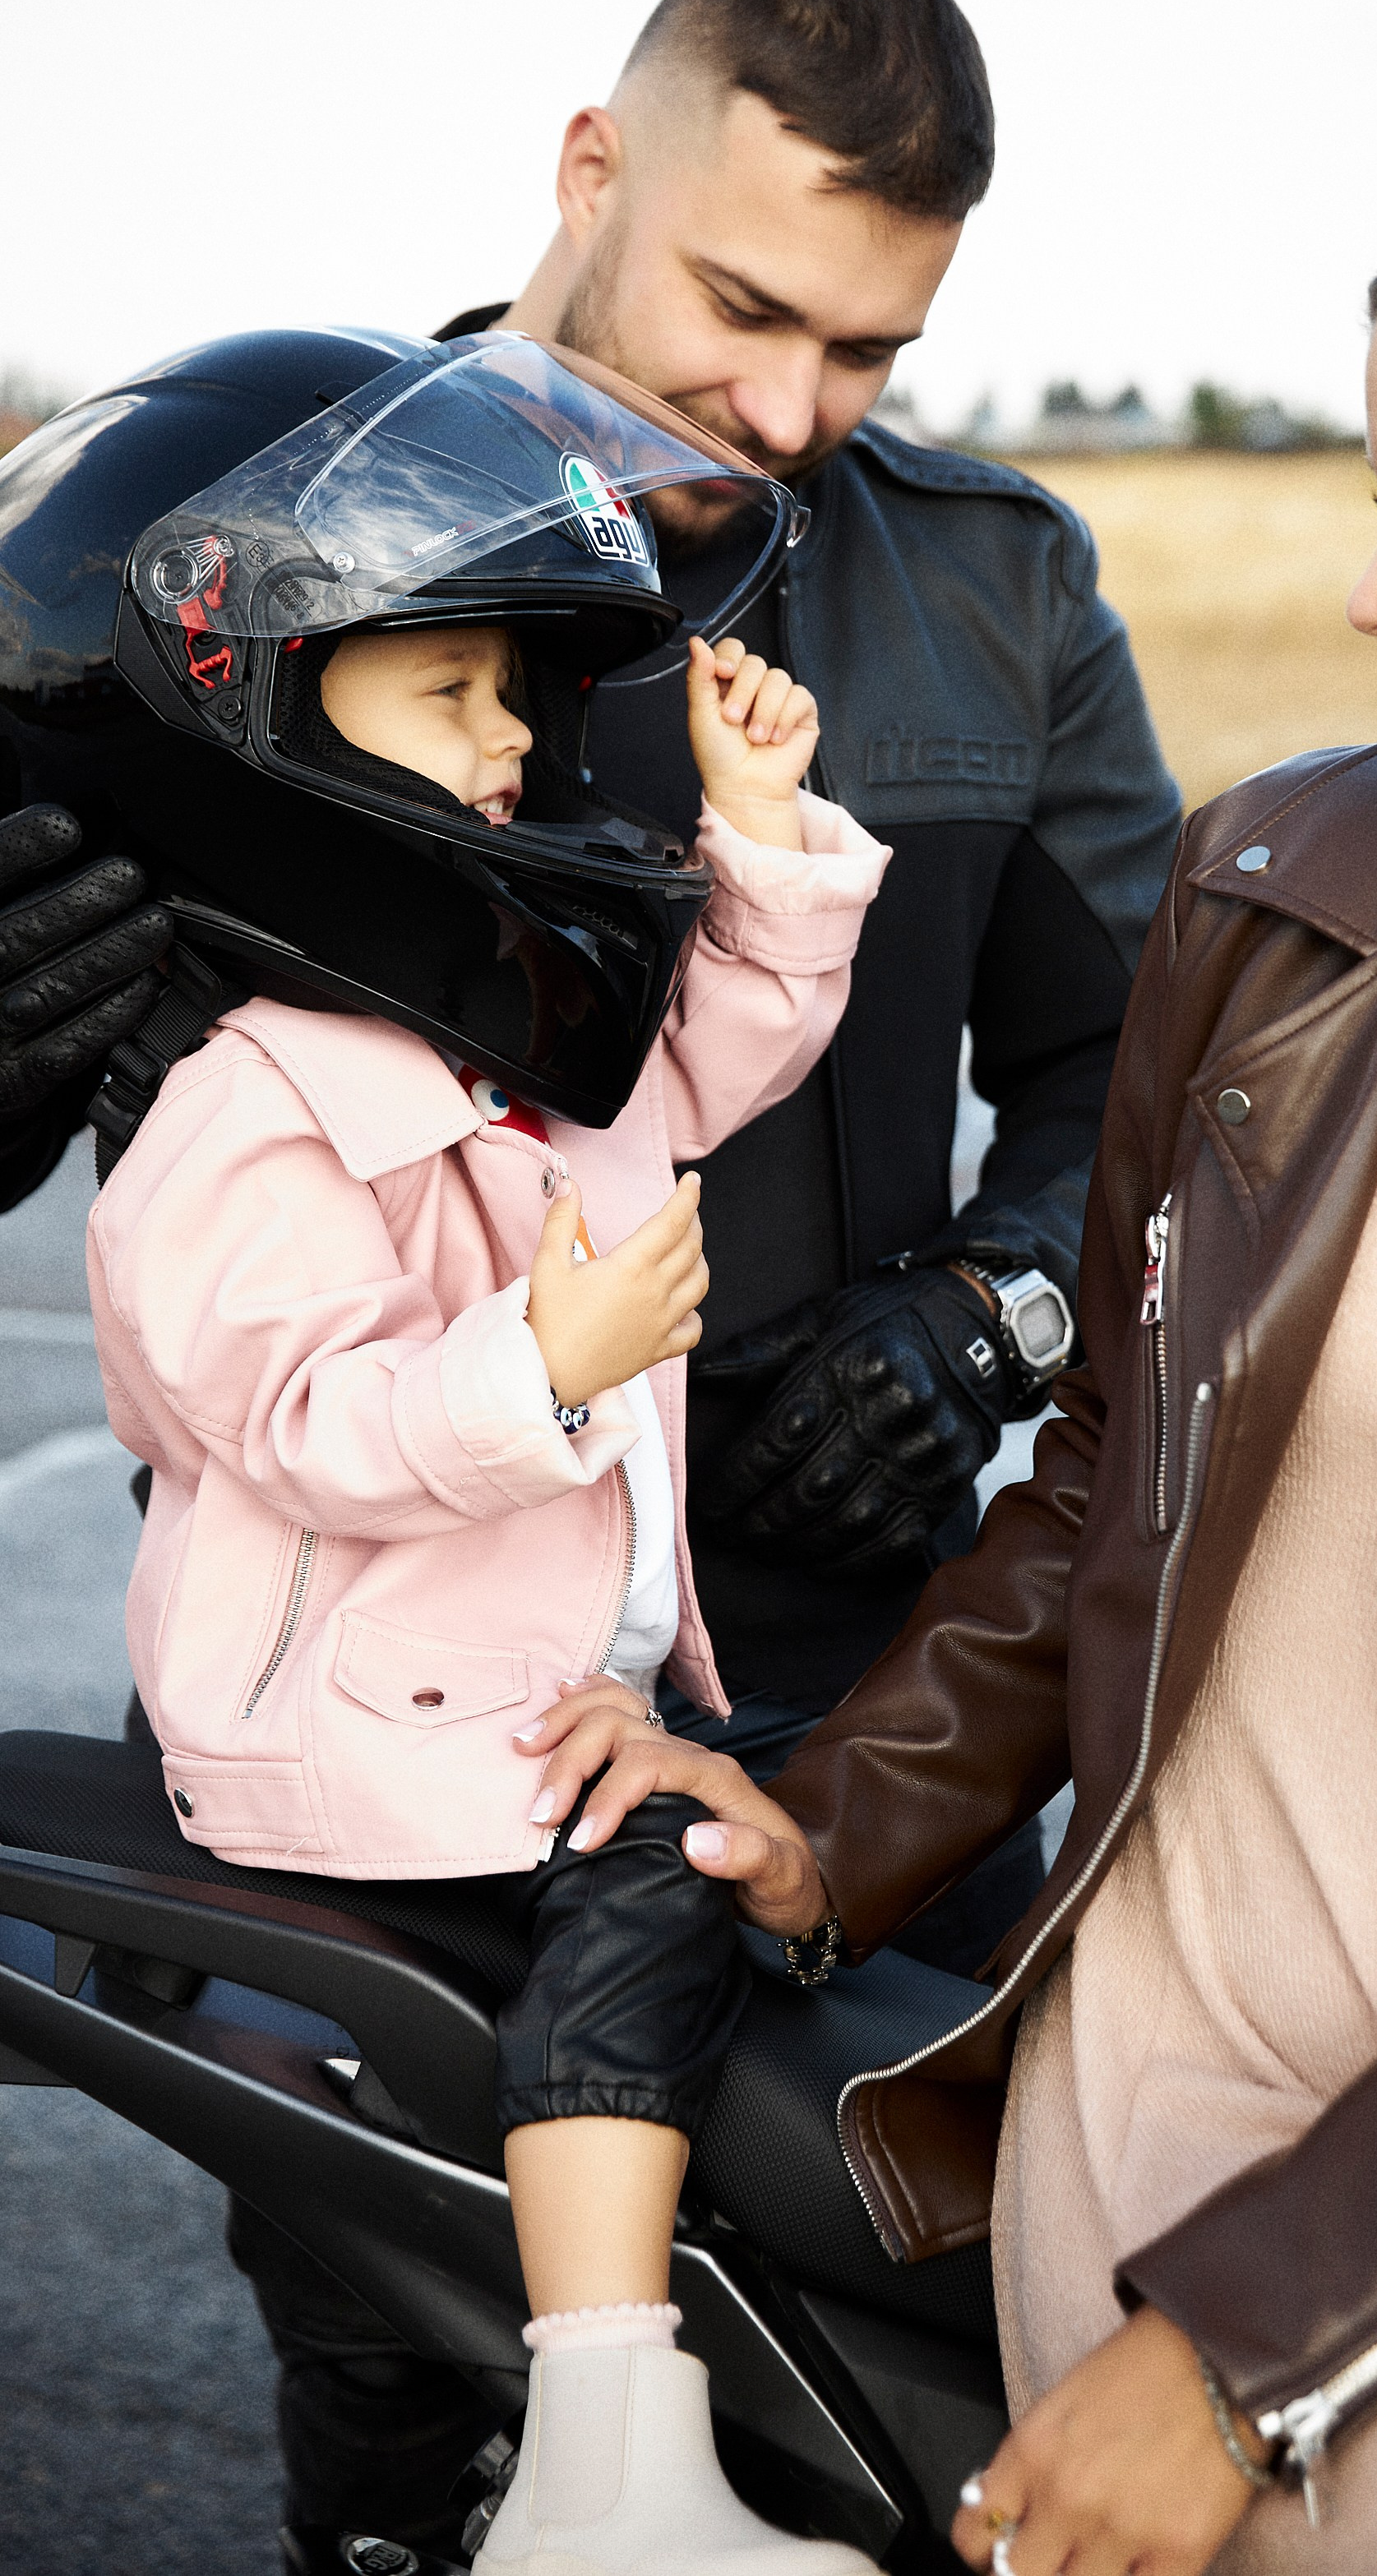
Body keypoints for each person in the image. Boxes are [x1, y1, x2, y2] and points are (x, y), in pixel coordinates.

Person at [529, 103, 1377, 2576]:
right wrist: (834, 1817)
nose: (1376, 585)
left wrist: (1284, 2336)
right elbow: (1105, 1500)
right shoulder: (1288, 896)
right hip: (1219, 2089)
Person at [76, 330, 892, 2576]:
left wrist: (759, 843)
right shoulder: (242, 1106)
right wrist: (536, 1364)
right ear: (257, 705)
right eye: (453, 690)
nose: (519, 735)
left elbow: (708, 1057)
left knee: (797, 1802)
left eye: (512, 692)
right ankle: (604, 2467)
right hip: (385, 1746)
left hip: (524, 1694)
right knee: (641, 1915)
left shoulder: (499, 1020)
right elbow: (303, 1417)